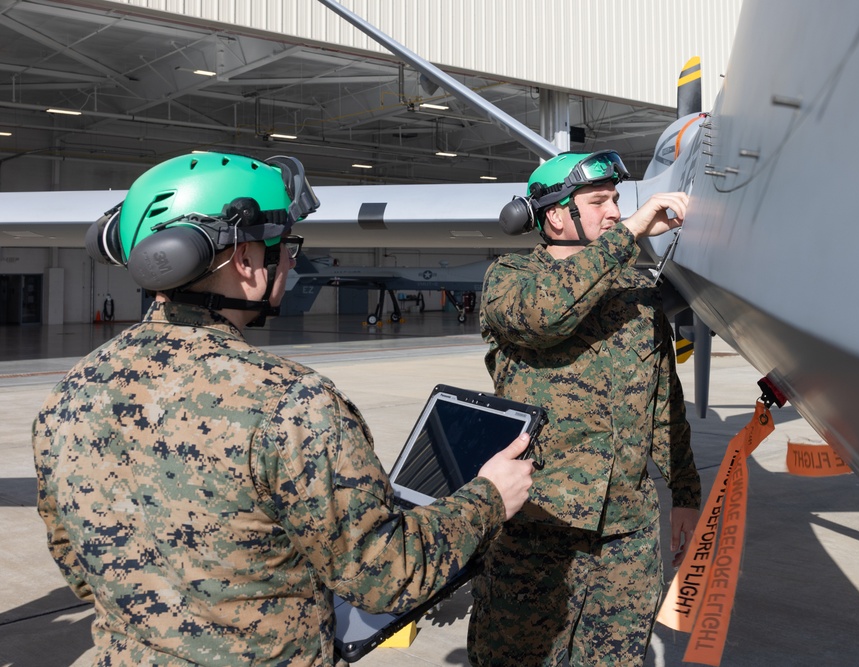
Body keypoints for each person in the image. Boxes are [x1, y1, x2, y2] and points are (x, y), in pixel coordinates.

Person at [32, 151, 536, 666]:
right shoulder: (292, 404)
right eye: (286, 246)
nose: (291, 261)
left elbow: (78, 565)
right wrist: (489, 497)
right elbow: (387, 578)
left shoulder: (70, 392)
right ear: (245, 258)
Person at [468, 150, 702, 665]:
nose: (616, 212)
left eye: (618, 200)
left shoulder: (637, 294)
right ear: (555, 215)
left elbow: (665, 404)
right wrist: (632, 235)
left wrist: (685, 493)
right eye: (599, 201)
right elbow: (547, 315)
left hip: (626, 537)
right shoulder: (509, 281)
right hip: (535, 528)